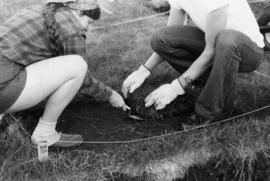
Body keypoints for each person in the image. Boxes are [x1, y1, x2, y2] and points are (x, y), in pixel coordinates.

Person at [0, 0, 129, 148]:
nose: (89, 28)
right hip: (3, 87)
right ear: (79, 12)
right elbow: (84, 79)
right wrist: (110, 95)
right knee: (77, 66)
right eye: (89, 22)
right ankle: (45, 134)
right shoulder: (71, 29)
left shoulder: (42, 10)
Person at [122, 0, 265, 128]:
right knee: (161, 38)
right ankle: (212, 83)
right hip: (216, 43)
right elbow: (170, 32)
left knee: (227, 39)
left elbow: (210, 52)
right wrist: (144, 69)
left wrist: (176, 87)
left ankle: (208, 112)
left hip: (247, 50)